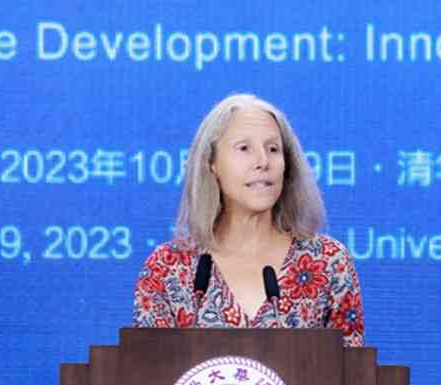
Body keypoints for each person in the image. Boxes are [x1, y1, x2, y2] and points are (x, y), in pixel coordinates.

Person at [133, 93, 364, 347]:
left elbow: (351, 367)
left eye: (273, 149)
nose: (263, 162)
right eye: (244, 148)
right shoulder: (167, 268)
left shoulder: (328, 262)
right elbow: (149, 367)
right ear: (212, 163)